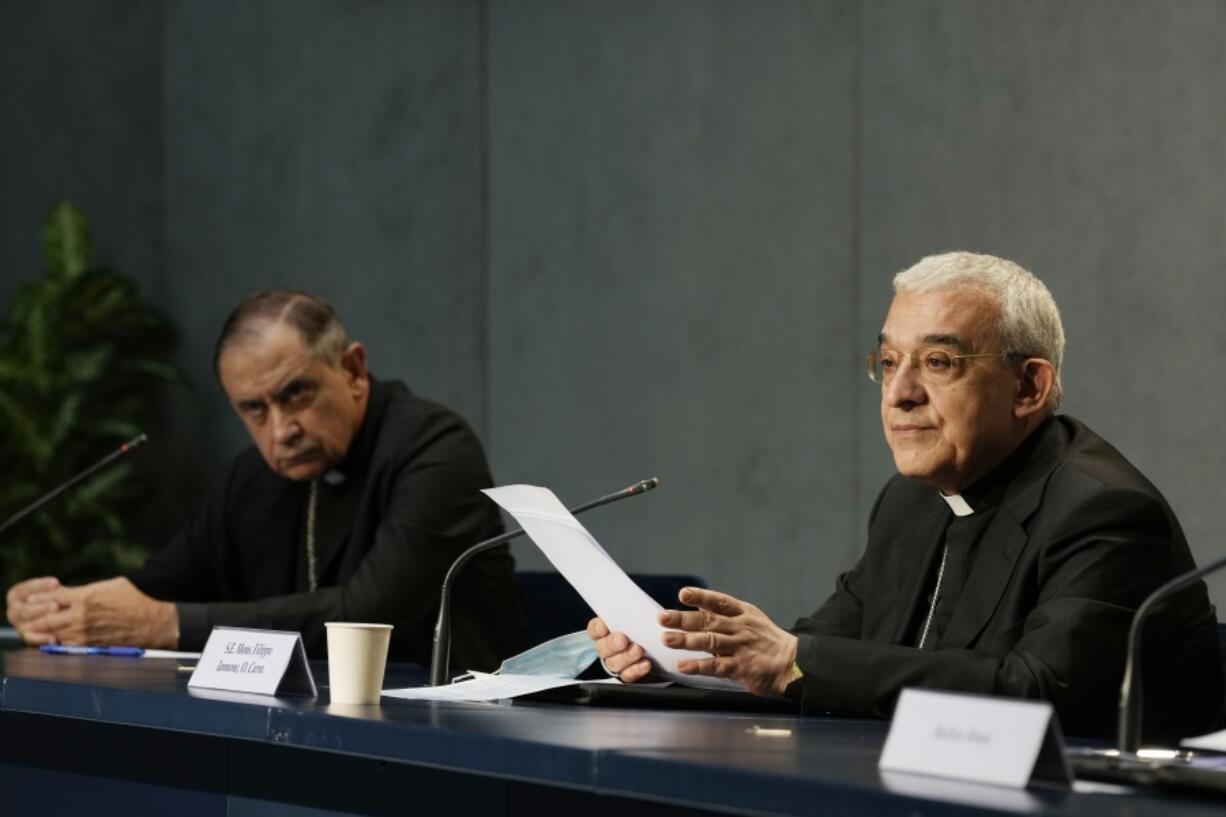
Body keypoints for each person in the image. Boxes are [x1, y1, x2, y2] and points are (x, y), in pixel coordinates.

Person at [589, 252, 1222, 741]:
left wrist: (789, 661)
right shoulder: (912, 501)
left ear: (1028, 387)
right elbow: (818, 651)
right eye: (889, 363)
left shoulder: (1103, 511)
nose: (900, 394)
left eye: (939, 362)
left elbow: (1037, 695)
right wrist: (686, 655)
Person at [5, 291, 525, 671]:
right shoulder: (255, 476)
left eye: (296, 394)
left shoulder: (434, 447)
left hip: (445, 734)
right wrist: (64, 609)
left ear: (353, 369)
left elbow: (366, 616)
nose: (282, 430)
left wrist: (163, 624)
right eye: (254, 409)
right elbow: (161, 585)